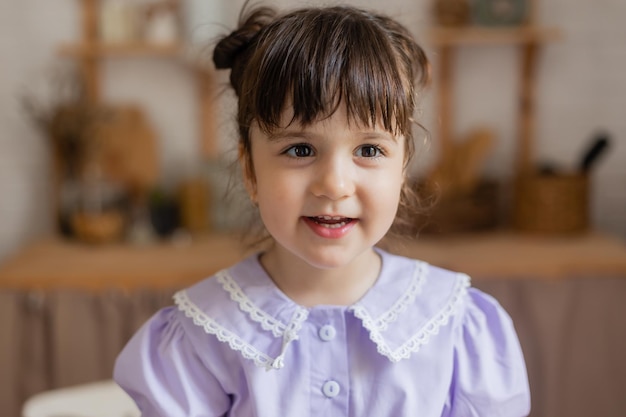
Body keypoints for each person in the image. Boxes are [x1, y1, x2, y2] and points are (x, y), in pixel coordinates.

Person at [114, 4, 531, 416]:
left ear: (403, 168)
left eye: (369, 150)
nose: (334, 183)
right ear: (250, 170)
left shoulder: (457, 328)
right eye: (300, 149)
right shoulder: (198, 340)